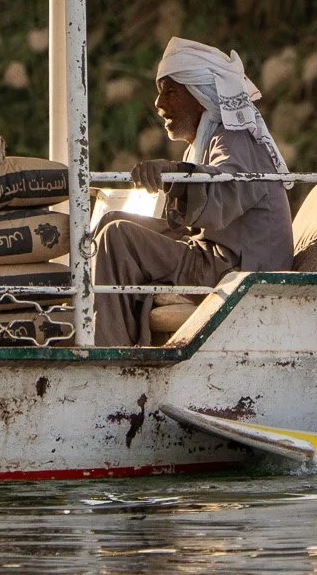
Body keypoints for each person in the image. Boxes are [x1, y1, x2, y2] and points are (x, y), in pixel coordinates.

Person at [94, 37, 294, 346]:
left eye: (170, 92)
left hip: (237, 271)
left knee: (117, 236)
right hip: (219, 257)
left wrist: (172, 172)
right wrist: (175, 174)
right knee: (114, 220)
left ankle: (107, 355)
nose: (159, 105)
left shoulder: (236, 137)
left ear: (201, 96)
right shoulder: (215, 138)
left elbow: (225, 187)